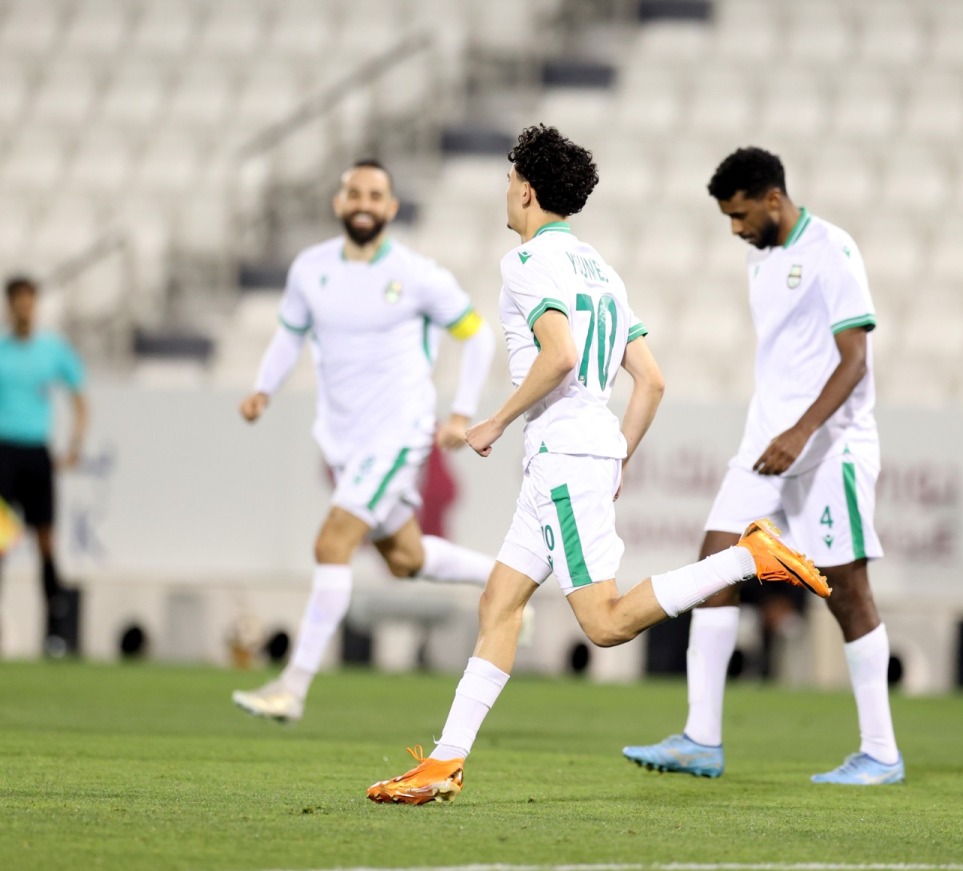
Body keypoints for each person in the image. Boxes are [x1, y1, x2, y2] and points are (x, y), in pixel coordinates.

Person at [365, 125, 827, 806]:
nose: (505, 190)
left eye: (507, 179)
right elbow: (652, 380)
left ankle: (747, 556)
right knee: (500, 600)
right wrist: (617, 456)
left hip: (561, 452)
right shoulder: (600, 269)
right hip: (578, 452)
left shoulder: (523, 264)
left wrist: (493, 419)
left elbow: (560, 357)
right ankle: (445, 760)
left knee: (605, 622)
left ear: (525, 188)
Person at [621, 147, 903, 785]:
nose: (735, 229)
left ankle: (882, 751)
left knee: (847, 591)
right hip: (764, 446)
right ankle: (701, 738)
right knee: (714, 564)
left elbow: (854, 359)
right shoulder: (761, 260)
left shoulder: (832, 250)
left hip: (830, 446)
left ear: (773, 199)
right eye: (727, 217)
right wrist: (778, 430)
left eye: (741, 214)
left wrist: (803, 430)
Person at [232, 159, 497, 723]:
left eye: (376, 195)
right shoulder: (310, 269)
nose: (364, 202)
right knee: (406, 558)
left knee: (332, 545)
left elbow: (477, 336)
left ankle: (293, 689)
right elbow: (289, 335)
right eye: (354, 192)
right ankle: (511, 580)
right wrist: (262, 389)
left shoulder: (417, 274)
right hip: (344, 440)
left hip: (399, 432)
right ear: (338, 202)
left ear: (391, 208)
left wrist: (461, 412)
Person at [0, 276, 88, 655]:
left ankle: (55, 632)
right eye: (17, 301)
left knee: (46, 543)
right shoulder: (2, 351)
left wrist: (74, 444)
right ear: (9, 306)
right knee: (1, 542)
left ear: (35, 305)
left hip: (37, 453)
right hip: (3, 452)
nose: (23, 308)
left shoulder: (52, 351)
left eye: (29, 301)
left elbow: (80, 399)